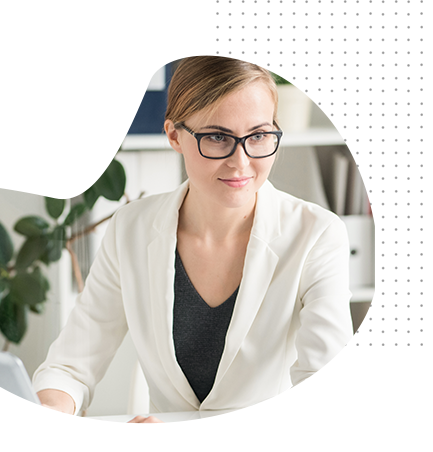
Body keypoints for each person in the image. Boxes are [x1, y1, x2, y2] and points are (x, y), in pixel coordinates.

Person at [33, 44, 356, 451]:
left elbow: (328, 391)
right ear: (174, 135)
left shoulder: (316, 234)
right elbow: (71, 363)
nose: (241, 162)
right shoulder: (130, 228)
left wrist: (190, 437)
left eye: (258, 136)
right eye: (217, 137)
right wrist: (51, 406)